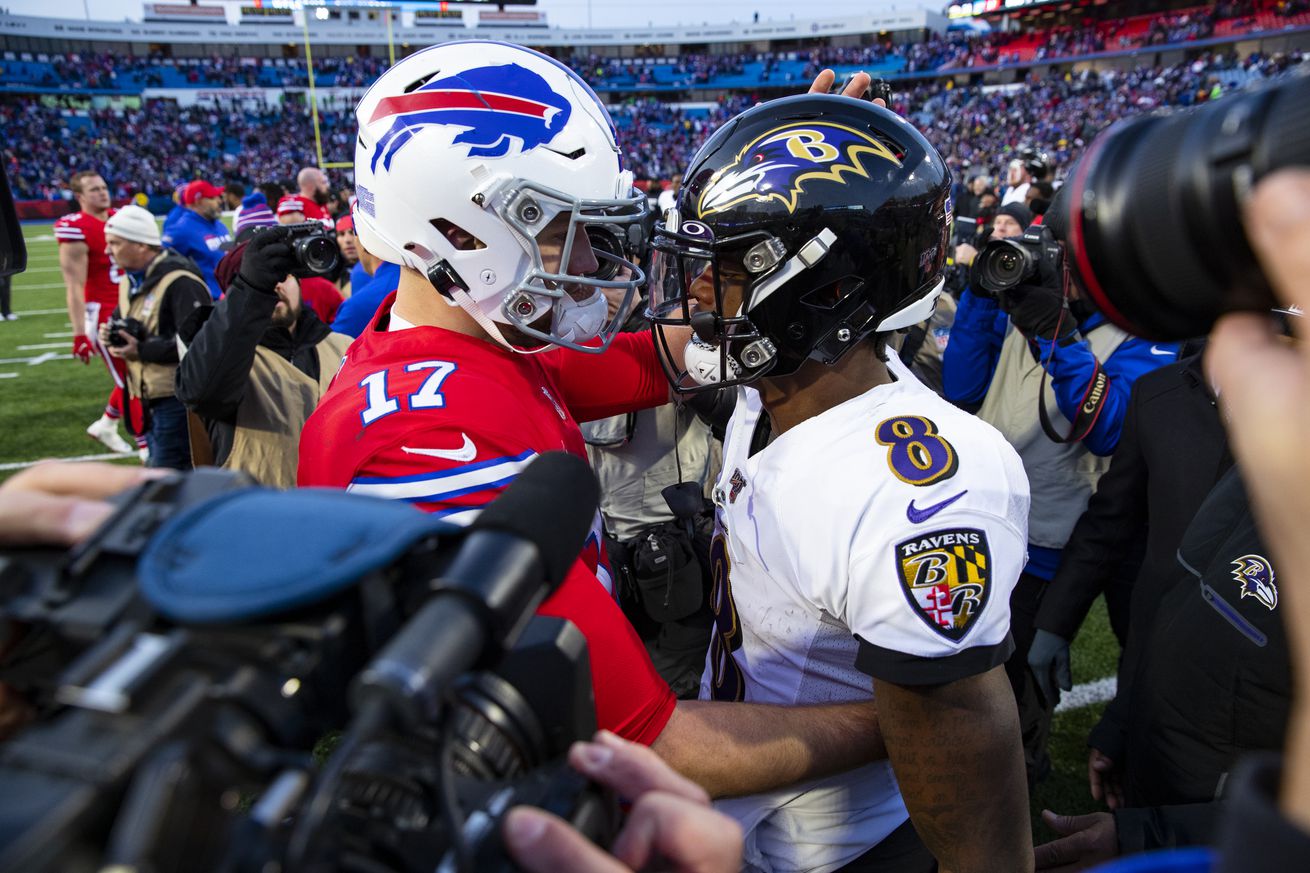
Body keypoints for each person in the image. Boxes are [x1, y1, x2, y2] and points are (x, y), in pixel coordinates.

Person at [303, 45, 897, 804]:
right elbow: (654, 743)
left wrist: (786, 203)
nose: (588, 258)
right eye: (559, 230)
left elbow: (667, 356)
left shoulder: (464, 347)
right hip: (506, 816)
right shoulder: (423, 445)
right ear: (456, 232)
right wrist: (911, 716)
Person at [647, 93, 1032, 871]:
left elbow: (960, 752)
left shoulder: (909, 485)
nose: (693, 295)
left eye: (724, 267)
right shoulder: (779, 384)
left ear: (819, 291)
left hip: (841, 847)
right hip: (758, 815)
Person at [942, 187, 1180, 786]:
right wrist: (979, 302)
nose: (1062, 271)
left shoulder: (1145, 333)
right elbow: (962, 389)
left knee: (1022, 673)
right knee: (967, 665)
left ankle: (1021, 766)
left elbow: (1110, 431)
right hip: (988, 518)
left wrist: (1061, 336)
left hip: (1063, 536)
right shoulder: (1020, 304)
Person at [176, 230, 351, 488]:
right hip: (257, 521)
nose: (275, 284)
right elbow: (199, 391)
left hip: (342, 517)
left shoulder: (345, 347)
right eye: (263, 276)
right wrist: (253, 289)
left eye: (285, 273)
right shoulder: (221, 359)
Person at [99, 205, 211, 469]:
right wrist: (112, 332)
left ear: (140, 245)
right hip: (148, 396)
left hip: (178, 399)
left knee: (169, 478)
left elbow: (199, 345)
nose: (107, 250)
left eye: (114, 243)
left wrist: (142, 349)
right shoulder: (131, 279)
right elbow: (125, 318)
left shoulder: (181, 281)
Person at [54, 170, 145, 458]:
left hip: (132, 305)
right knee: (131, 379)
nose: (102, 193)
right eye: (94, 190)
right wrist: (80, 333)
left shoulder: (120, 218)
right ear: (79, 196)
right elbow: (74, 285)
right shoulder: (76, 228)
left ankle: (107, 424)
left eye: (104, 187)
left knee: (139, 374)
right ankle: (147, 447)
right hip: (103, 313)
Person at [161, 180, 231, 300]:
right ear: (198, 201)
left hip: (229, 298)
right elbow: (163, 264)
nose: (219, 201)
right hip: (207, 303)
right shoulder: (181, 230)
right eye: (213, 198)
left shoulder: (219, 225)